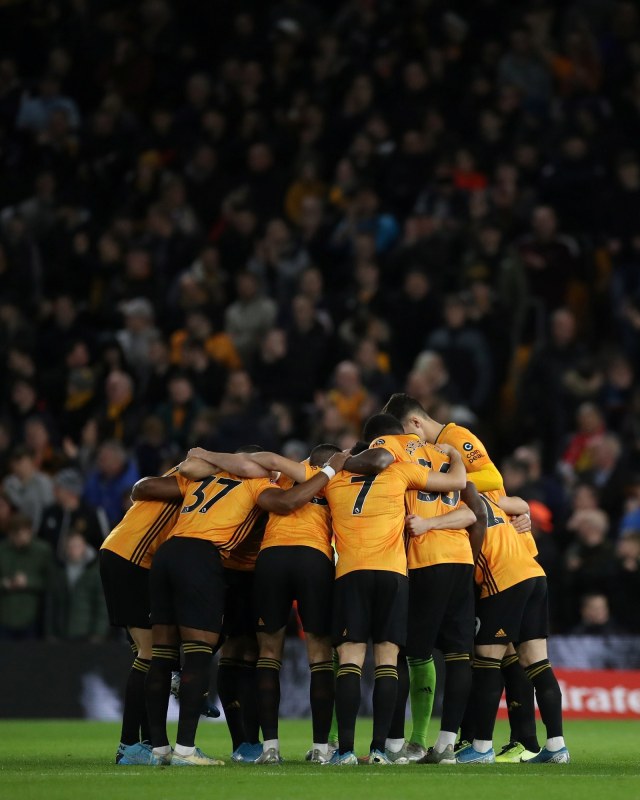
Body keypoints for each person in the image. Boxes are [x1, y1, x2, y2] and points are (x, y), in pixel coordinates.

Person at [143, 448, 347, 766]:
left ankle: (262, 748)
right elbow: (287, 500)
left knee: (248, 654)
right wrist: (334, 470)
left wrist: (199, 459)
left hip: (201, 555)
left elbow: (144, 488)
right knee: (316, 654)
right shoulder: (275, 483)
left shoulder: (207, 479)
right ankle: (321, 748)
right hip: (256, 558)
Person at [382, 392, 540, 762]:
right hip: (480, 550)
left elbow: (492, 477)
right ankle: (470, 739)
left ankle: (524, 740)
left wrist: (448, 478)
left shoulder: (454, 438)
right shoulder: (436, 454)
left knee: (506, 652)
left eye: (407, 434)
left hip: (498, 550)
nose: (407, 444)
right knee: (484, 652)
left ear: (416, 423)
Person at [323, 413, 467, 765]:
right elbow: (457, 481)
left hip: (349, 573)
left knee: (350, 662)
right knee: (388, 661)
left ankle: (343, 751)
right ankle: (379, 751)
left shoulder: (335, 479)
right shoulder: (401, 471)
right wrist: (455, 455)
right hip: (391, 573)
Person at [364, 422, 486, 765]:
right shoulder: (446, 459)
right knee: (460, 654)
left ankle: (398, 744)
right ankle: (446, 745)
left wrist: (428, 524)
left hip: (423, 562)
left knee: (404, 653)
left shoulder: (399, 464)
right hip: (461, 560)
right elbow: (473, 511)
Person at [46, 532, 108, 641]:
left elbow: (102, 605)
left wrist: (99, 633)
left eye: (77, 546)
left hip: (86, 633)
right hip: (62, 633)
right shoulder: (59, 572)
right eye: (69, 546)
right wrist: (50, 633)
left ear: (84, 547)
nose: (73, 550)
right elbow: (51, 604)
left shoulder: (94, 572)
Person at [0, 514, 54, 640]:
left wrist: (28, 582)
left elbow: (51, 583)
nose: (20, 538)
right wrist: (5, 583)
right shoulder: (2, 550)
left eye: (24, 533)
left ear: (30, 532)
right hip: (4, 615)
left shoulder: (42, 551)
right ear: (10, 534)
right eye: (16, 535)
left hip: (32, 617)